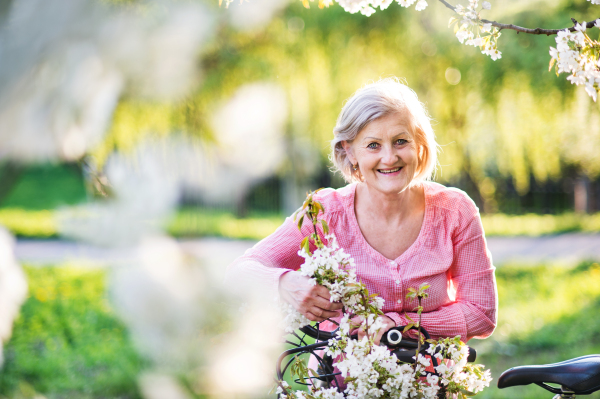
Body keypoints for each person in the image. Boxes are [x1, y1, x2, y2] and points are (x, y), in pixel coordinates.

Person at [227, 77, 497, 346]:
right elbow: (240, 272)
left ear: (419, 144)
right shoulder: (324, 213)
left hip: (430, 380)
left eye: (401, 141)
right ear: (350, 151)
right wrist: (285, 284)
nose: (389, 157)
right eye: (373, 145)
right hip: (337, 381)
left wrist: (399, 325)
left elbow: (481, 313)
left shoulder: (455, 211)